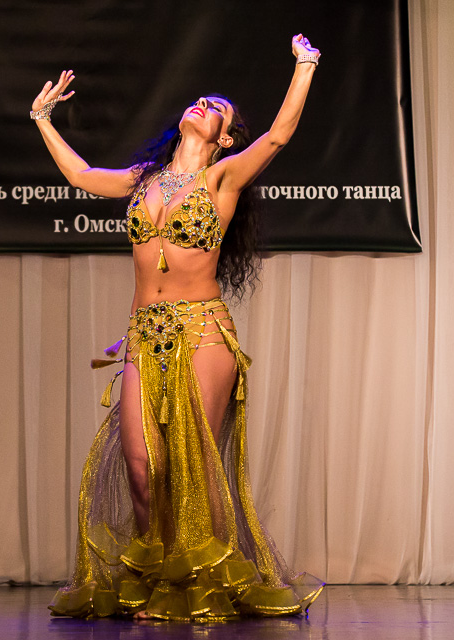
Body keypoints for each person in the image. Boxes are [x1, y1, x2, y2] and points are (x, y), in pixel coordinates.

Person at [33, 34, 324, 621]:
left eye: (216, 108)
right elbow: (83, 175)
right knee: (143, 465)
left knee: (194, 465)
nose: (202, 104)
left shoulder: (222, 181)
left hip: (203, 331)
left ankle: (201, 583)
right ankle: (156, 578)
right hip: (145, 334)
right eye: (199, 100)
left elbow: (279, 136)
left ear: (225, 138)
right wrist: (42, 118)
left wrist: (305, 65)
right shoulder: (143, 180)